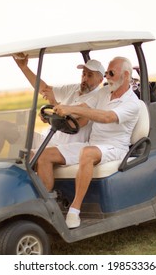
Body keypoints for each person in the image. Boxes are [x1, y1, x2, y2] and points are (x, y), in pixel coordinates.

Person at [36, 57, 140, 228]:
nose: (107, 77)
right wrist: (56, 114)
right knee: (43, 155)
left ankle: (74, 211)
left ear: (126, 75)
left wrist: (70, 108)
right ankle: (48, 208)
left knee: (87, 153)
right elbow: (83, 108)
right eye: (106, 73)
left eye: (111, 73)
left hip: (115, 147)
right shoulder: (104, 93)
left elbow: (106, 117)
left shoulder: (132, 103)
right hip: (94, 143)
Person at [0, 54, 105, 159]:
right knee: (2, 126)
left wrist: (53, 102)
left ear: (100, 81)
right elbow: (45, 89)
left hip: (62, 147)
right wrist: (24, 68)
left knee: (22, 158)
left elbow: (70, 124)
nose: (84, 78)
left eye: (89, 76)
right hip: (45, 138)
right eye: (83, 74)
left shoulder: (96, 99)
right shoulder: (73, 88)